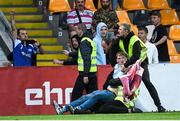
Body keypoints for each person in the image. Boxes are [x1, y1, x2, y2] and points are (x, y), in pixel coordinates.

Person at [109, 23, 166, 112]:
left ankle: (159, 106)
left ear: (126, 31)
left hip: (141, 63)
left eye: (120, 29)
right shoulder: (120, 40)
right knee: (122, 83)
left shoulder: (134, 39)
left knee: (147, 83)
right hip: (131, 64)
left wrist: (125, 65)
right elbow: (112, 51)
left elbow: (136, 55)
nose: (118, 31)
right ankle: (127, 105)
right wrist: (113, 64)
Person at [53, 51, 128, 114]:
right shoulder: (116, 68)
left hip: (115, 95)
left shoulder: (127, 69)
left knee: (96, 95)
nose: (119, 60)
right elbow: (108, 83)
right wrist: (109, 86)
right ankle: (62, 109)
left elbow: (120, 82)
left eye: (121, 58)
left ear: (125, 59)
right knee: (86, 96)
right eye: (118, 58)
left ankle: (78, 108)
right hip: (108, 91)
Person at [71, 23, 98, 101]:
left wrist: (85, 75)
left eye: (77, 30)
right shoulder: (90, 40)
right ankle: (96, 109)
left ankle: (73, 108)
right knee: (93, 95)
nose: (76, 32)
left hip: (85, 73)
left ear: (80, 30)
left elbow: (87, 59)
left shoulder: (84, 42)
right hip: (92, 72)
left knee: (76, 94)